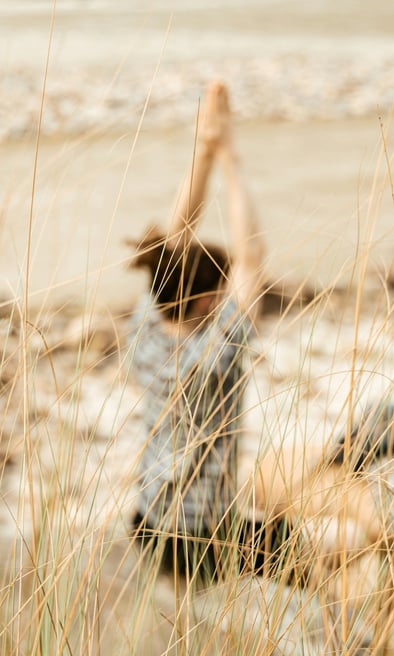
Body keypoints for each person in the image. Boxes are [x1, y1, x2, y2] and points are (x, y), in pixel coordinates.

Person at [126, 81, 272, 583]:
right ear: (209, 302)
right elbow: (253, 254)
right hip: (202, 545)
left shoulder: (146, 328)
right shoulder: (214, 354)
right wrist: (229, 153)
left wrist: (203, 148)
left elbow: (174, 238)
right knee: (321, 545)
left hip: (147, 524)